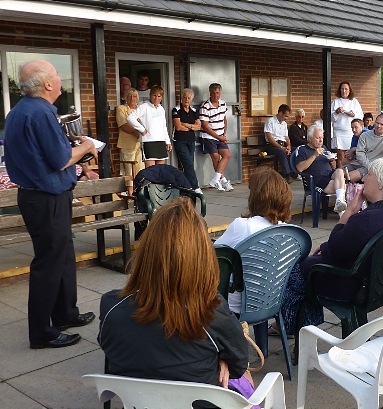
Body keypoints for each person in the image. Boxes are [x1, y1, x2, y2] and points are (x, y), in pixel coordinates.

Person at [99, 197, 249, 394]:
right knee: (245, 378)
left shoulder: (110, 305)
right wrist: (220, 360)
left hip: (140, 403)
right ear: (202, 257)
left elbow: (109, 346)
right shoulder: (212, 312)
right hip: (203, 402)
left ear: (146, 252)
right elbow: (239, 365)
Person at [4, 60, 98, 349]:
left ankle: (64, 313)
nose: (60, 80)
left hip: (42, 195)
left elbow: (44, 153)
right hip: (45, 197)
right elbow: (59, 161)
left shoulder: (20, 111)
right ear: (47, 84)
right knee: (48, 262)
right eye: (57, 76)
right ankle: (41, 332)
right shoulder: (40, 113)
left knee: (62, 254)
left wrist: (71, 146)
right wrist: (86, 146)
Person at [301, 157, 383, 301]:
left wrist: (350, 210)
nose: (363, 179)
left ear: (382, 183)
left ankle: (287, 322)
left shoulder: (368, 219)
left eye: (369, 174)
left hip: (351, 285)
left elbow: (334, 249)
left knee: (296, 269)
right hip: (380, 283)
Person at [214, 167, 292, 314]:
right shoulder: (288, 232)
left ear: (256, 197)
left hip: (235, 304)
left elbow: (213, 255)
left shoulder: (242, 226)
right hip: (271, 302)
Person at [294, 125, 347, 213]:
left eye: (321, 137)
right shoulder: (302, 150)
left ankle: (339, 204)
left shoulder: (324, 148)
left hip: (329, 175)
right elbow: (299, 168)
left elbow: (333, 167)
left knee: (340, 171)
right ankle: (341, 210)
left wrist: (332, 161)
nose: (320, 140)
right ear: (310, 138)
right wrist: (314, 155)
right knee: (343, 186)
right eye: (317, 138)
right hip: (317, 180)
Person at [344, 113, 383, 182]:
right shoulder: (365, 136)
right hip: (361, 163)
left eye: (382, 124)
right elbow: (360, 153)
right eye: (377, 123)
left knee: (348, 177)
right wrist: (368, 165)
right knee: (337, 173)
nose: (379, 126)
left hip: (374, 167)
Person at [126, 85, 172, 167]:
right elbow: (130, 118)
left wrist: (167, 141)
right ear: (150, 95)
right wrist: (142, 130)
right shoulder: (144, 106)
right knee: (151, 171)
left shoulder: (161, 109)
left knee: (161, 170)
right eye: (154, 95)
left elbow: (163, 126)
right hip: (149, 142)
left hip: (161, 141)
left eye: (159, 96)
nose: (156, 98)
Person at [200, 83, 233, 192]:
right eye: (213, 93)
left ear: (220, 93)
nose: (216, 95)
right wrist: (219, 137)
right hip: (209, 136)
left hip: (220, 136)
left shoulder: (223, 104)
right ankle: (223, 181)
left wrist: (223, 134)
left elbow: (224, 120)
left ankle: (216, 179)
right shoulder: (205, 106)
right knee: (215, 156)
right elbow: (205, 126)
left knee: (227, 155)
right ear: (210, 93)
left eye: (217, 93)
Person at [172, 88, 202, 193]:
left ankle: (186, 188)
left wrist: (186, 125)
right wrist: (191, 126)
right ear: (181, 97)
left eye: (189, 98)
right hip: (180, 141)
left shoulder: (194, 111)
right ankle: (195, 187)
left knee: (189, 165)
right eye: (184, 97)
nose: (186, 99)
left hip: (191, 141)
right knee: (188, 164)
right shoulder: (176, 110)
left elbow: (198, 127)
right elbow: (178, 127)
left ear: (191, 99)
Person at [115, 87, 145, 195]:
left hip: (139, 144)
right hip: (127, 144)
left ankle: (139, 193)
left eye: (134, 96)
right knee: (129, 169)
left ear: (138, 98)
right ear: (125, 98)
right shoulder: (121, 108)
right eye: (129, 96)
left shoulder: (140, 109)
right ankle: (130, 193)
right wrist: (136, 132)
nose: (132, 98)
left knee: (140, 169)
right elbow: (123, 125)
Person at [331, 81, 363, 167]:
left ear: (349, 90)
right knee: (340, 156)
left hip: (351, 132)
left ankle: (348, 173)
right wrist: (337, 112)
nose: (344, 91)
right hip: (339, 132)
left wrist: (353, 115)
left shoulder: (354, 101)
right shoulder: (336, 101)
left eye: (346, 89)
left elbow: (360, 116)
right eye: (342, 89)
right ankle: (340, 172)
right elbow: (331, 118)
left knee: (349, 155)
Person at [264, 104, 295, 183]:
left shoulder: (284, 123)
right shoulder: (270, 121)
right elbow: (270, 138)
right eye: (286, 116)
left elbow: (286, 137)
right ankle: (287, 175)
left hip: (283, 144)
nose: (286, 118)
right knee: (281, 152)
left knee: (296, 151)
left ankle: (294, 172)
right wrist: (281, 147)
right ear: (280, 113)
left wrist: (289, 146)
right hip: (272, 145)